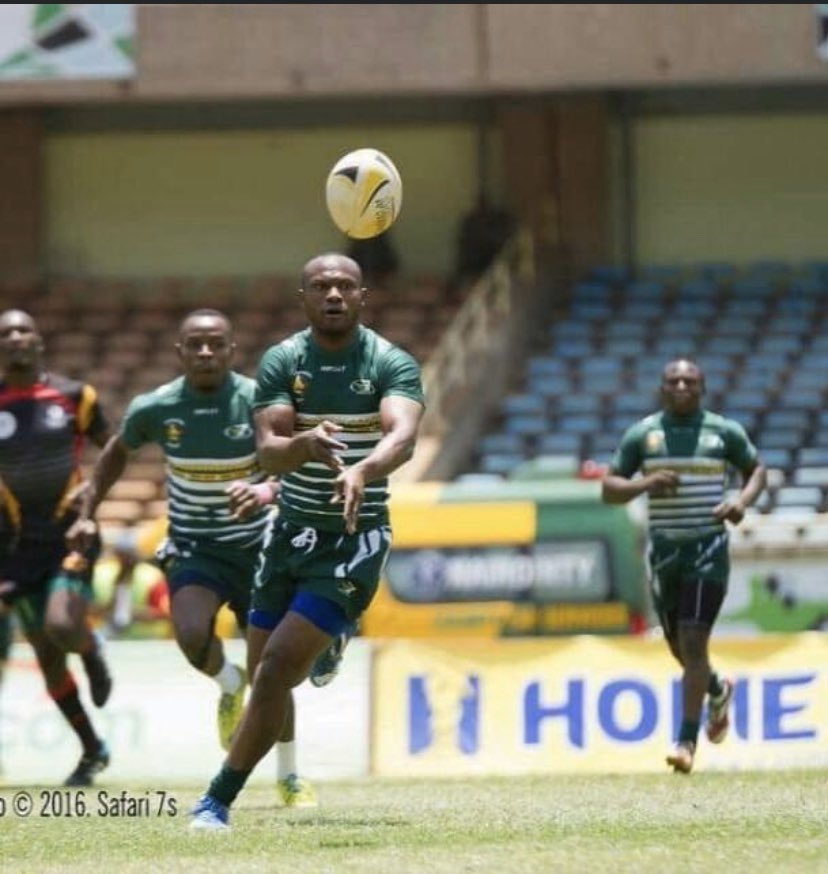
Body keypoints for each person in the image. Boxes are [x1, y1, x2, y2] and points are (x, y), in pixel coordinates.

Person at [190, 252, 425, 830]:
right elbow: (268, 450)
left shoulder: (390, 362)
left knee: (272, 672)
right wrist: (305, 446)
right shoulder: (284, 360)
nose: (334, 295)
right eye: (321, 286)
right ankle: (330, 641)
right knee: (263, 670)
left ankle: (217, 800)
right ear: (304, 297)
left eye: (346, 286)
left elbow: (405, 436)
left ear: (363, 297)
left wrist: (361, 471)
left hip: (354, 539)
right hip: (287, 535)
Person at [67, 309, 316, 807]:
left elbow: (297, 464)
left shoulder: (259, 402)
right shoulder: (157, 407)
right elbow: (116, 453)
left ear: (231, 351)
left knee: (275, 667)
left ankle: (290, 776)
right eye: (195, 344)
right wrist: (88, 509)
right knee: (189, 635)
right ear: (179, 352)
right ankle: (229, 685)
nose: (205, 352)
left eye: (215, 344)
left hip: (259, 550)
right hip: (195, 547)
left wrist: (265, 487)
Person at [601, 358, 766, 774]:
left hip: (707, 550)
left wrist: (740, 503)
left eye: (689, 380)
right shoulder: (645, 434)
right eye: (673, 380)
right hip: (664, 555)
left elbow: (757, 470)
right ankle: (718, 689)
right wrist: (645, 483)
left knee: (694, 644)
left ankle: (685, 743)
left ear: (702, 387)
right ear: (662, 387)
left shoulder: (723, 432)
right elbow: (609, 487)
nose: (680, 386)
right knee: (679, 648)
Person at [0, 309, 112, 786]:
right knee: (47, 659)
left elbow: (113, 449)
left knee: (63, 625)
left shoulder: (74, 396)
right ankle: (93, 750)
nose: (15, 338)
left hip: (72, 533)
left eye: (24, 329)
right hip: (16, 545)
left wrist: (92, 499)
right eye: (6, 333)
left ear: (39, 340)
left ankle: (92, 650)